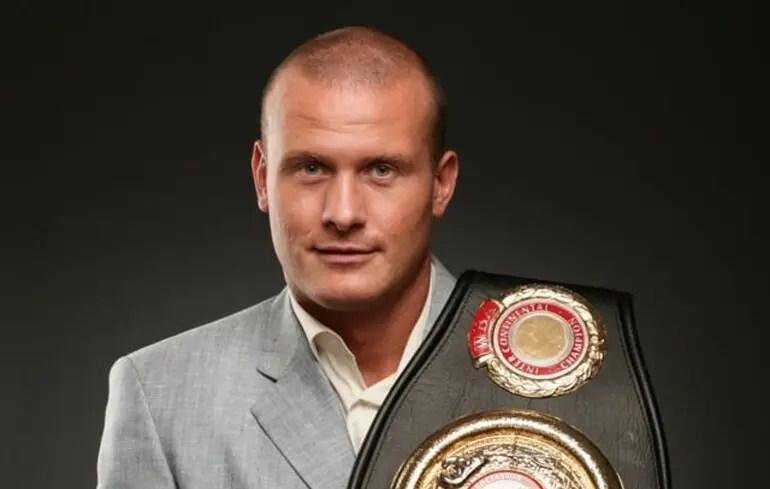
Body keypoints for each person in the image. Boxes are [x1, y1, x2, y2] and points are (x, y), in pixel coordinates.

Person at [96, 25, 460, 489]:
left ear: (440, 184)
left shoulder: (544, 369)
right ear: (261, 178)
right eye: (311, 168)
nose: (343, 213)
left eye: (381, 170)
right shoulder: (158, 394)